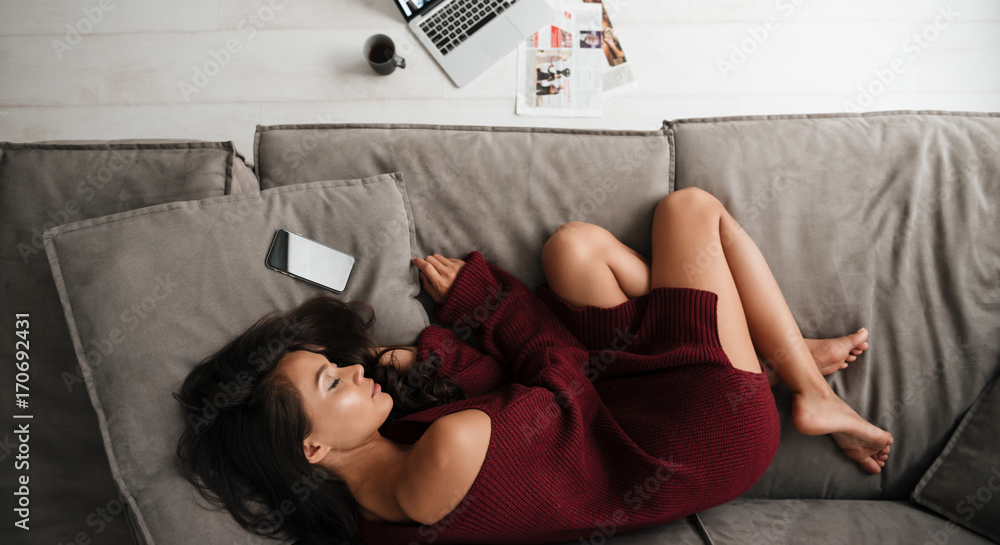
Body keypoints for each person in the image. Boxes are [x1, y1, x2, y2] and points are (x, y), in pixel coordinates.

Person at [174, 187, 892, 545]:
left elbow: (522, 390)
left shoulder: (379, 505)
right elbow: (562, 373)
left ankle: (765, 354)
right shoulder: (449, 446)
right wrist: (481, 303)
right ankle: (801, 385)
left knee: (574, 250)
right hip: (695, 440)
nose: (354, 372)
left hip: (616, 412)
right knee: (690, 209)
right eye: (334, 381)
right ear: (315, 447)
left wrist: (431, 355)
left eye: (336, 364)